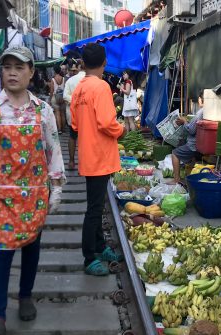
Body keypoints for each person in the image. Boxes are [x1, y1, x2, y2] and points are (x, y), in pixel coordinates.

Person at [0, 46, 66, 335]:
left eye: (19, 67)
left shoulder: (43, 111)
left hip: (35, 194)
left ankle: (26, 296)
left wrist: (57, 187)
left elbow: (53, 150)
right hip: (0, 195)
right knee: (0, 254)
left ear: (31, 72)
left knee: (31, 248)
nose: (12, 72)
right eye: (7, 67)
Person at [70, 43, 126, 276]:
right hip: (100, 155)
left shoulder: (79, 89)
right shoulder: (101, 87)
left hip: (88, 154)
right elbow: (106, 123)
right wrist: (121, 129)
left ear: (83, 64)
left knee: (97, 204)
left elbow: (74, 125)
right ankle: (88, 257)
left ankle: (101, 246)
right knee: (94, 209)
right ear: (104, 62)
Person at [171, 97, 204, 185]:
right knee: (192, 160)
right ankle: (190, 178)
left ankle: (176, 179)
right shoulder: (209, 111)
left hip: (194, 145)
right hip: (202, 143)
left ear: (200, 99)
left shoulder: (201, 112)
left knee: (175, 153)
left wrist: (184, 122)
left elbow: (191, 130)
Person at [63, 58, 86, 171]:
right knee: (84, 138)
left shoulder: (70, 81)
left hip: (72, 114)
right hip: (86, 115)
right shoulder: (90, 80)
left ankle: (71, 161)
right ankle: (83, 163)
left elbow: (65, 96)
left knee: (72, 137)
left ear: (77, 68)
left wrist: (75, 100)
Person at [48, 64, 66, 134]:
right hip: (62, 97)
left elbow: (51, 91)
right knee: (63, 113)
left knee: (57, 113)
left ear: (54, 71)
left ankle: (59, 129)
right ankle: (64, 128)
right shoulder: (63, 78)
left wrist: (50, 99)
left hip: (55, 98)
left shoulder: (53, 79)